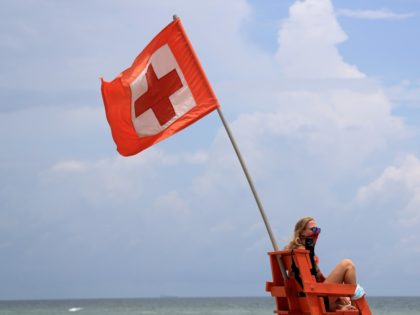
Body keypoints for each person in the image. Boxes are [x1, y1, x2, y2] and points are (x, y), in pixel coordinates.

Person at [285, 217, 365, 311]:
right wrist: (340, 292)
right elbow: (312, 284)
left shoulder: (292, 251)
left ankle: (346, 305)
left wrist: (339, 294)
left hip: (308, 298)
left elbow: (319, 278)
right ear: (301, 232)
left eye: (318, 230)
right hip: (316, 298)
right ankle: (354, 307)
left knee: (342, 296)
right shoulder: (302, 252)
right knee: (348, 264)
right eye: (313, 229)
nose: (316, 232)